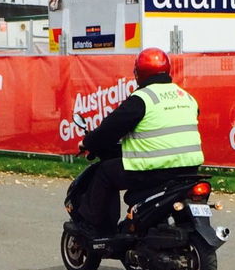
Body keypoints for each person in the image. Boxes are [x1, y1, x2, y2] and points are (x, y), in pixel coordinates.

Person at [73, 46, 204, 234]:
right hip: (189, 170)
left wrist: (88, 142)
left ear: (138, 74)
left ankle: (98, 229)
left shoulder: (142, 99)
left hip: (153, 170)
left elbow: (110, 129)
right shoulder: (186, 97)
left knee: (104, 173)